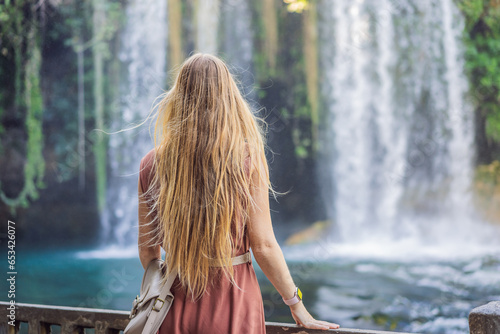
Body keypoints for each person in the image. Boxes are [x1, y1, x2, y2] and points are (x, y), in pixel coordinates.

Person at [137, 53, 339, 333]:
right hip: (233, 303)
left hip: (172, 305)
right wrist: (296, 304)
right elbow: (264, 246)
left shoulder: (151, 163)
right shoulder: (246, 159)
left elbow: (148, 251)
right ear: (228, 96)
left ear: (178, 96)